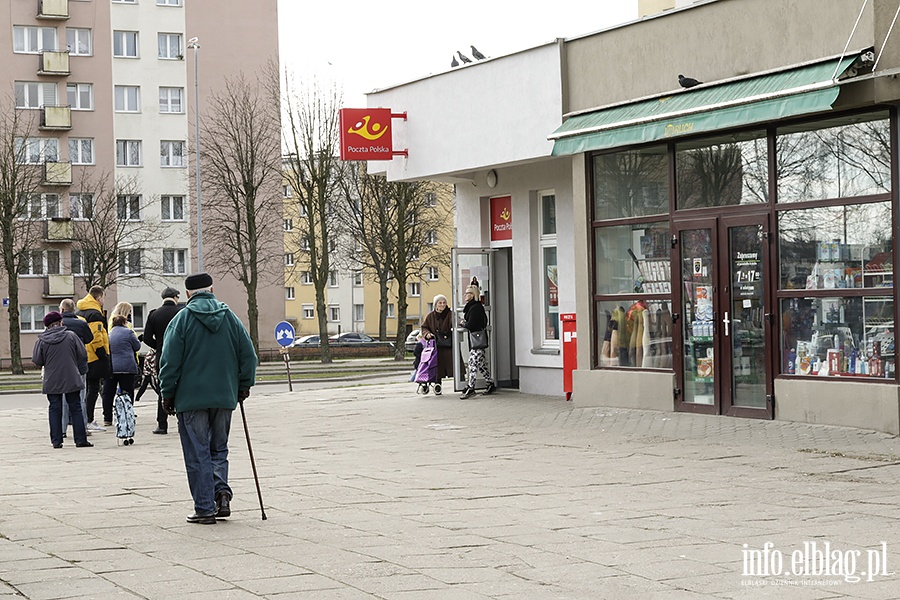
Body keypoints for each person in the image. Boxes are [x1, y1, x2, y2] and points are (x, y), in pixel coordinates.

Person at [159, 273, 257, 525]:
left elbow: (170, 362)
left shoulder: (181, 320)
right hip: (224, 396)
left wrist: (167, 393)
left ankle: (204, 507)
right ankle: (221, 493)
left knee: (197, 452)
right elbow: (249, 356)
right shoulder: (231, 318)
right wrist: (244, 384)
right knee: (219, 448)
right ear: (212, 289)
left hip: (191, 398)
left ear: (188, 294)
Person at [32, 311, 92, 449]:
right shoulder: (71, 336)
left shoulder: (42, 340)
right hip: (71, 376)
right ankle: (80, 440)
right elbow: (82, 354)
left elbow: (37, 360)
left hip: (52, 379)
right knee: (75, 407)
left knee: (54, 408)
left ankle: (56, 441)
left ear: (47, 326)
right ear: (60, 322)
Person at [141, 286, 183, 434]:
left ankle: (162, 424)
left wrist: (159, 347)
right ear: (176, 297)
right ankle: (182, 422)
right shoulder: (181, 313)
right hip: (181, 355)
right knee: (182, 388)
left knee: (163, 388)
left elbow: (146, 338)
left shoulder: (154, 314)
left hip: (161, 355)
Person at [59, 298, 94, 437]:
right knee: (80, 398)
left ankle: (62, 430)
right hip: (79, 365)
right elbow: (89, 339)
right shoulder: (81, 324)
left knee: (63, 398)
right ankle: (82, 427)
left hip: (62, 366)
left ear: (62, 310)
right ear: (74, 310)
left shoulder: (57, 324)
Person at [76, 286, 109, 430]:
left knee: (85, 390)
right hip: (95, 357)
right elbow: (97, 338)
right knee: (93, 389)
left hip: (83, 355)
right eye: (103, 298)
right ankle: (89, 419)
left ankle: (84, 418)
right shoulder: (95, 314)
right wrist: (103, 356)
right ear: (98, 298)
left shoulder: (80, 311)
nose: (103, 301)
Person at [100, 315, 141, 425]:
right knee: (127, 392)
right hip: (127, 367)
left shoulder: (109, 333)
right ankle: (127, 415)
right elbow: (137, 346)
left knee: (108, 393)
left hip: (111, 367)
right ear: (124, 322)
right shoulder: (129, 332)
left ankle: (107, 418)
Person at [460, 284, 496, 399]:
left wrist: (462, 323)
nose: (466, 295)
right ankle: (490, 382)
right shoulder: (473, 306)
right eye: (465, 292)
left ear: (473, 295)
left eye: (468, 293)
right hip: (476, 339)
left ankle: (471, 387)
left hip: (477, 340)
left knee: (472, 363)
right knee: (480, 364)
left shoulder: (475, 308)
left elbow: (471, 324)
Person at [419, 294, 453, 395]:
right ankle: (437, 384)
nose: (442, 305)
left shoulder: (450, 314)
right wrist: (427, 334)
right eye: (440, 303)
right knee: (436, 365)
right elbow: (424, 327)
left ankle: (462, 384)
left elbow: (456, 323)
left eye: (444, 303)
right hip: (436, 346)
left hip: (448, 345)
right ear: (435, 305)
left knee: (450, 364)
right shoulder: (431, 316)